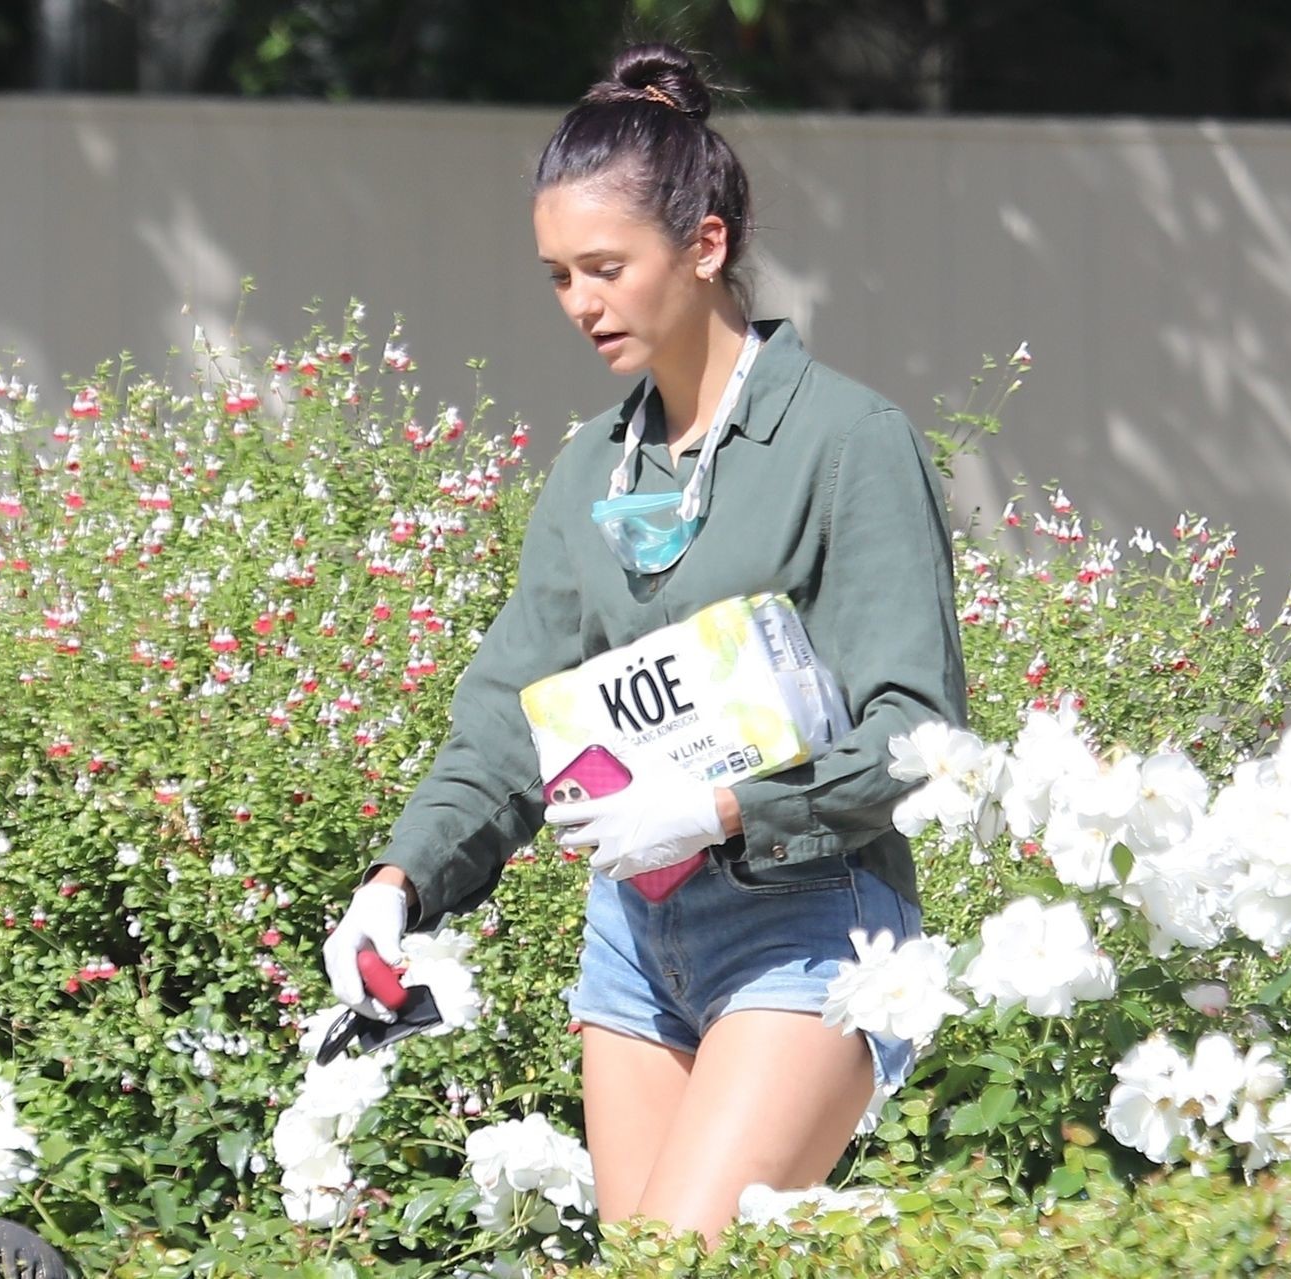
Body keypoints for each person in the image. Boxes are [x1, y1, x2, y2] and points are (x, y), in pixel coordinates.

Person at [322, 41, 968, 1240]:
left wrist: (719, 810)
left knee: (678, 1260)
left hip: (809, 919)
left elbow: (916, 734)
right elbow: (508, 718)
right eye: (558, 276)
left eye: (606, 268)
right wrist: (397, 884)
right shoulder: (588, 469)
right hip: (634, 935)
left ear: (706, 245)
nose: (581, 303)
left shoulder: (847, 441)